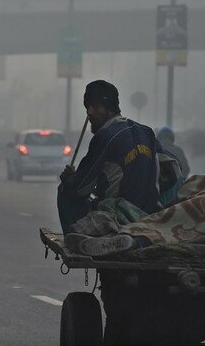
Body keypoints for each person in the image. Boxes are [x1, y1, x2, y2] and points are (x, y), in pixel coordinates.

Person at [57, 80, 175, 255]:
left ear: (110, 108)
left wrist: (69, 179)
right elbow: (174, 172)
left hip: (116, 214)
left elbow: (81, 189)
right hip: (150, 213)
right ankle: (135, 238)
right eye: (87, 107)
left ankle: (79, 239)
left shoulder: (104, 137)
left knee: (64, 191)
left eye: (96, 107)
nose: (90, 113)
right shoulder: (146, 132)